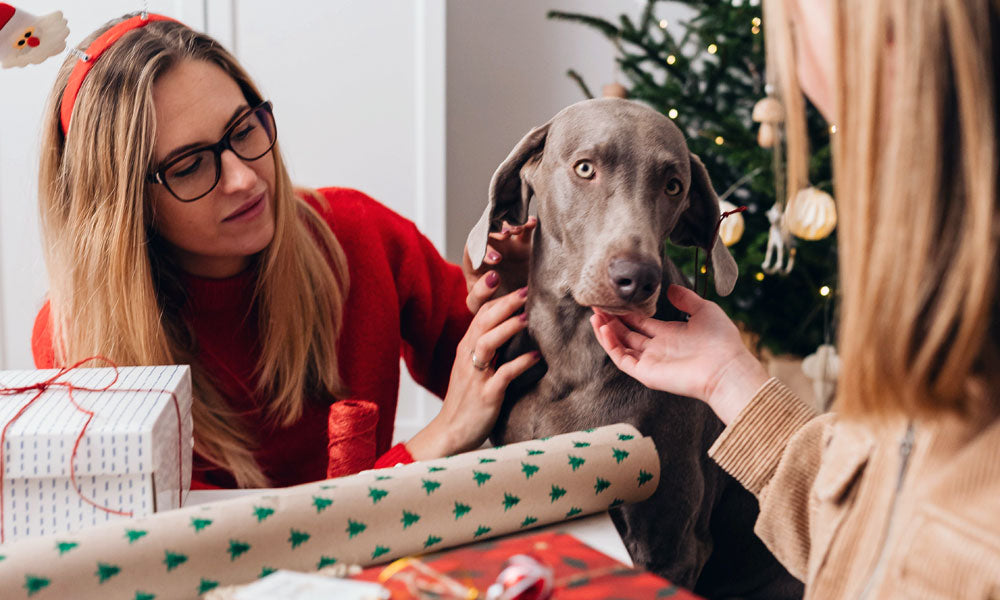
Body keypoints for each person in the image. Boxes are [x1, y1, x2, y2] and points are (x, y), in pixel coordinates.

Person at [591, 0, 1000, 597]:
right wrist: (730, 378)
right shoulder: (939, 326)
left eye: (791, 18)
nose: (796, 69)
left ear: (887, 30)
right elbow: (867, 533)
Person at [31, 13, 539, 489]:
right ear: (122, 207)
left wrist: (526, 299)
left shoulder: (355, 233)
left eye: (244, 130)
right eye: (189, 166)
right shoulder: (80, 342)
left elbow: (515, 371)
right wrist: (436, 441)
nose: (244, 178)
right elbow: (202, 550)